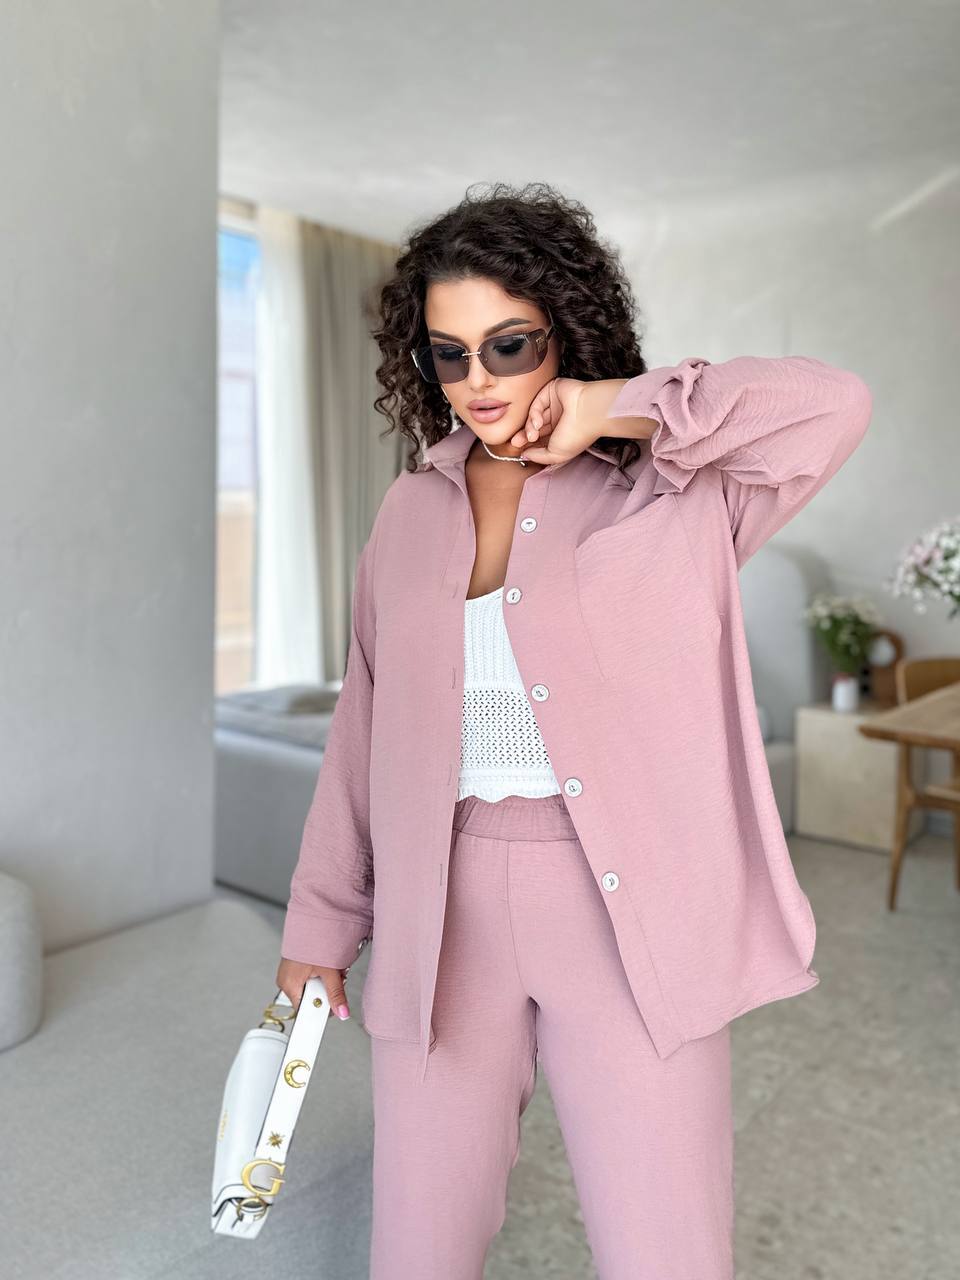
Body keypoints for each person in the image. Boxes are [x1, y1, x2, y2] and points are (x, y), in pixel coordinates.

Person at [276, 180, 873, 1279]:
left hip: (628, 902)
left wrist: (614, 408)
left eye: (509, 345)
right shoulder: (410, 511)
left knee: (666, 1249)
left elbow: (832, 404)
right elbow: (364, 723)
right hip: (440, 906)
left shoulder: (678, 487)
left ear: (567, 328)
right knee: (417, 1246)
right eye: (449, 355)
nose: (479, 382)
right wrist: (320, 922)